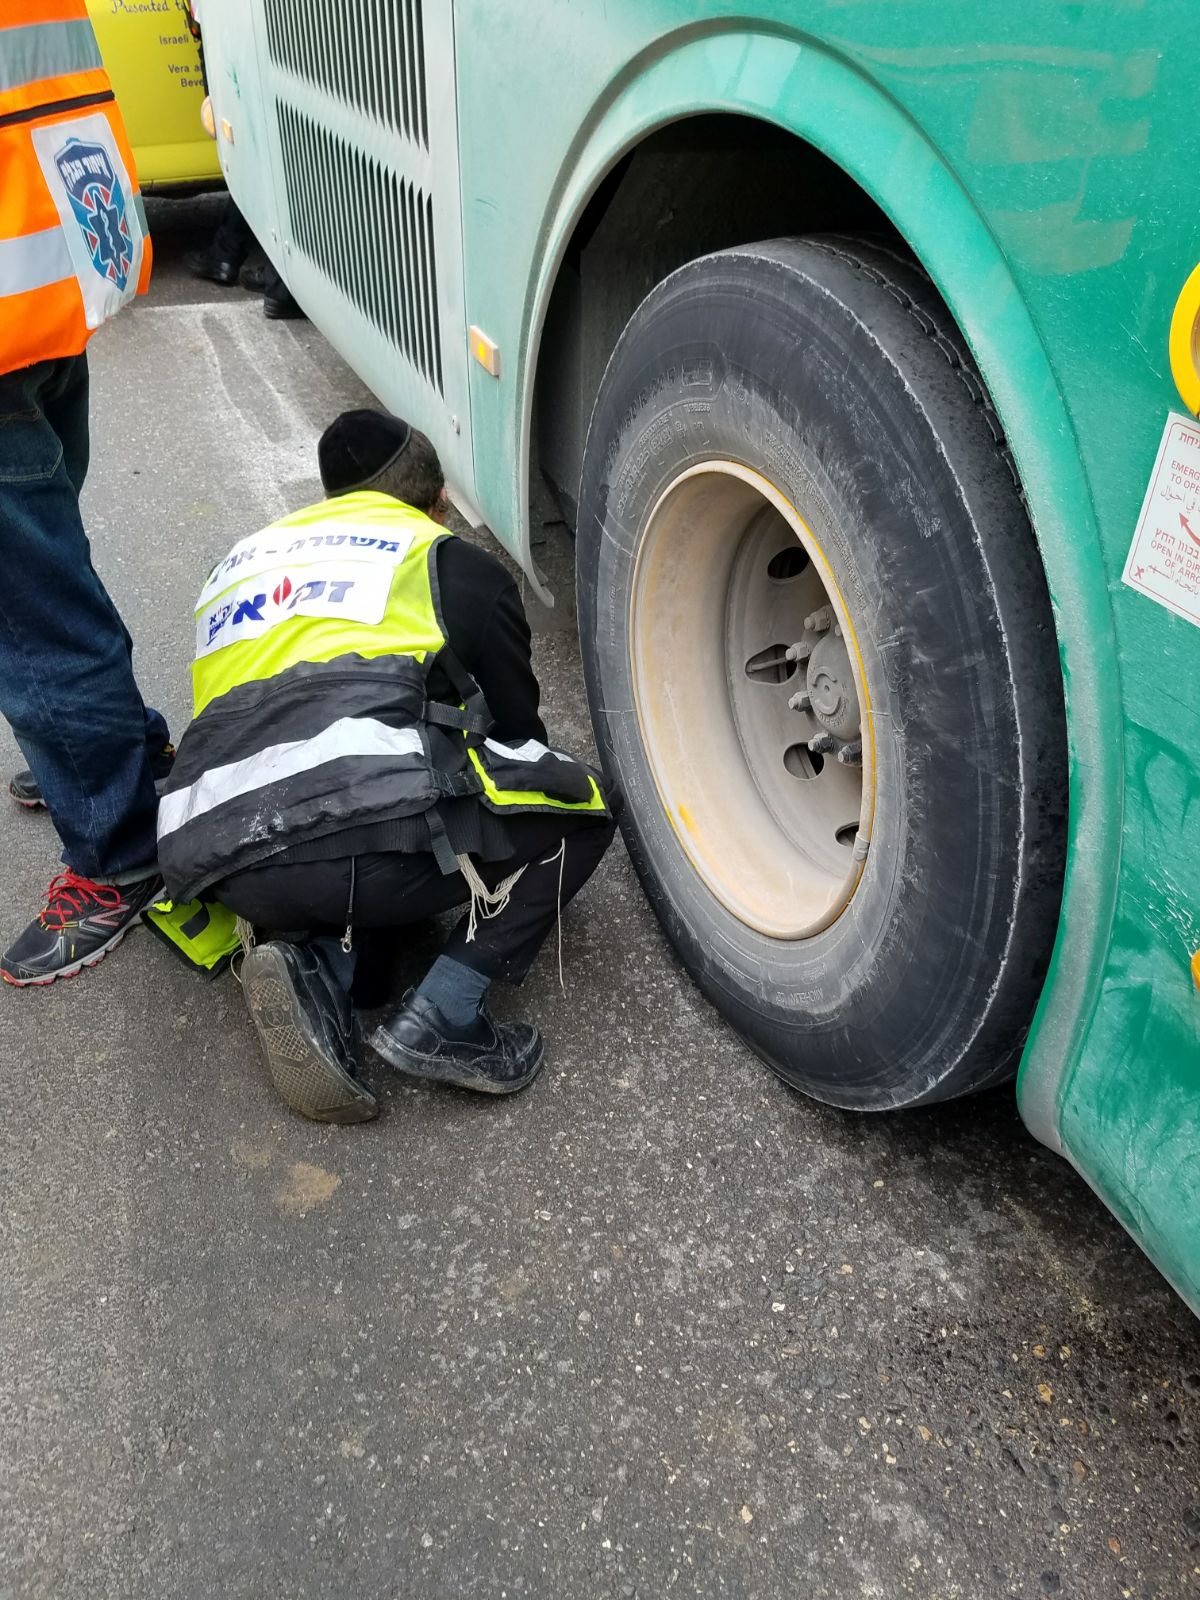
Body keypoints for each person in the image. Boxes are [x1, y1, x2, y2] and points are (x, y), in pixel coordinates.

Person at [157, 410, 618, 1123]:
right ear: (435, 501)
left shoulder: (236, 565)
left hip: (221, 855)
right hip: (358, 837)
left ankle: (320, 967)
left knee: (372, 817)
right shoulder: (446, 562)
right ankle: (448, 1010)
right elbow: (521, 739)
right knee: (578, 805)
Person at [0, 2, 172, 986]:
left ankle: (115, 855)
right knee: (50, 559)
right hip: (54, 257)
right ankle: (118, 749)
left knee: (34, 616)